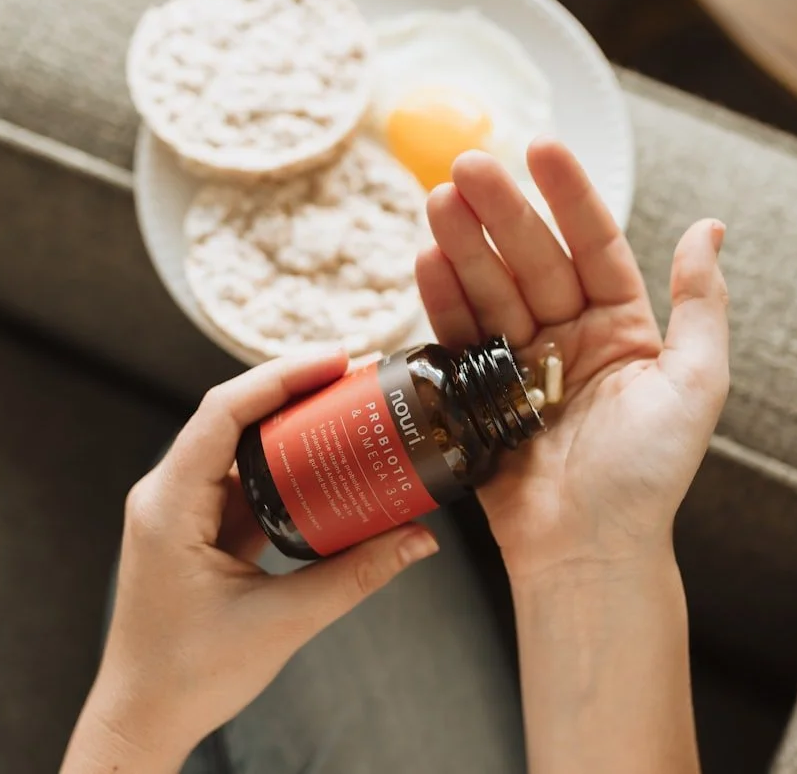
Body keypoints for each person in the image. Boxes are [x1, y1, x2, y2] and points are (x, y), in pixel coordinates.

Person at [59, 137, 729, 774]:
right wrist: (599, 561)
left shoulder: (458, 422)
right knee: (218, 522)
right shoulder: (462, 410)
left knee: (203, 515)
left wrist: (130, 723)